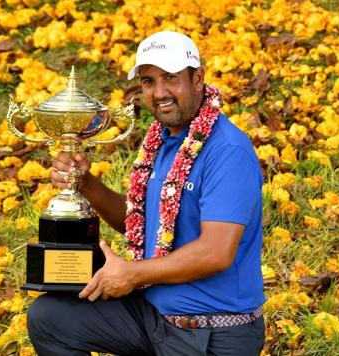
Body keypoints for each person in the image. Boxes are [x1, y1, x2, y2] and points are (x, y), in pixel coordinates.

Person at [27, 31, 265, 356]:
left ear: (198, 79)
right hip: (154, 317)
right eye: (149, 81)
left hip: (209, 331)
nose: (159, 92)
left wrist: (132, 274)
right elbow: (138, 222)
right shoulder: (165, 142)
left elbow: (215, 253)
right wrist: (86, 184)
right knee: (50, 317)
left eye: (170, 78)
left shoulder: (227, 150)